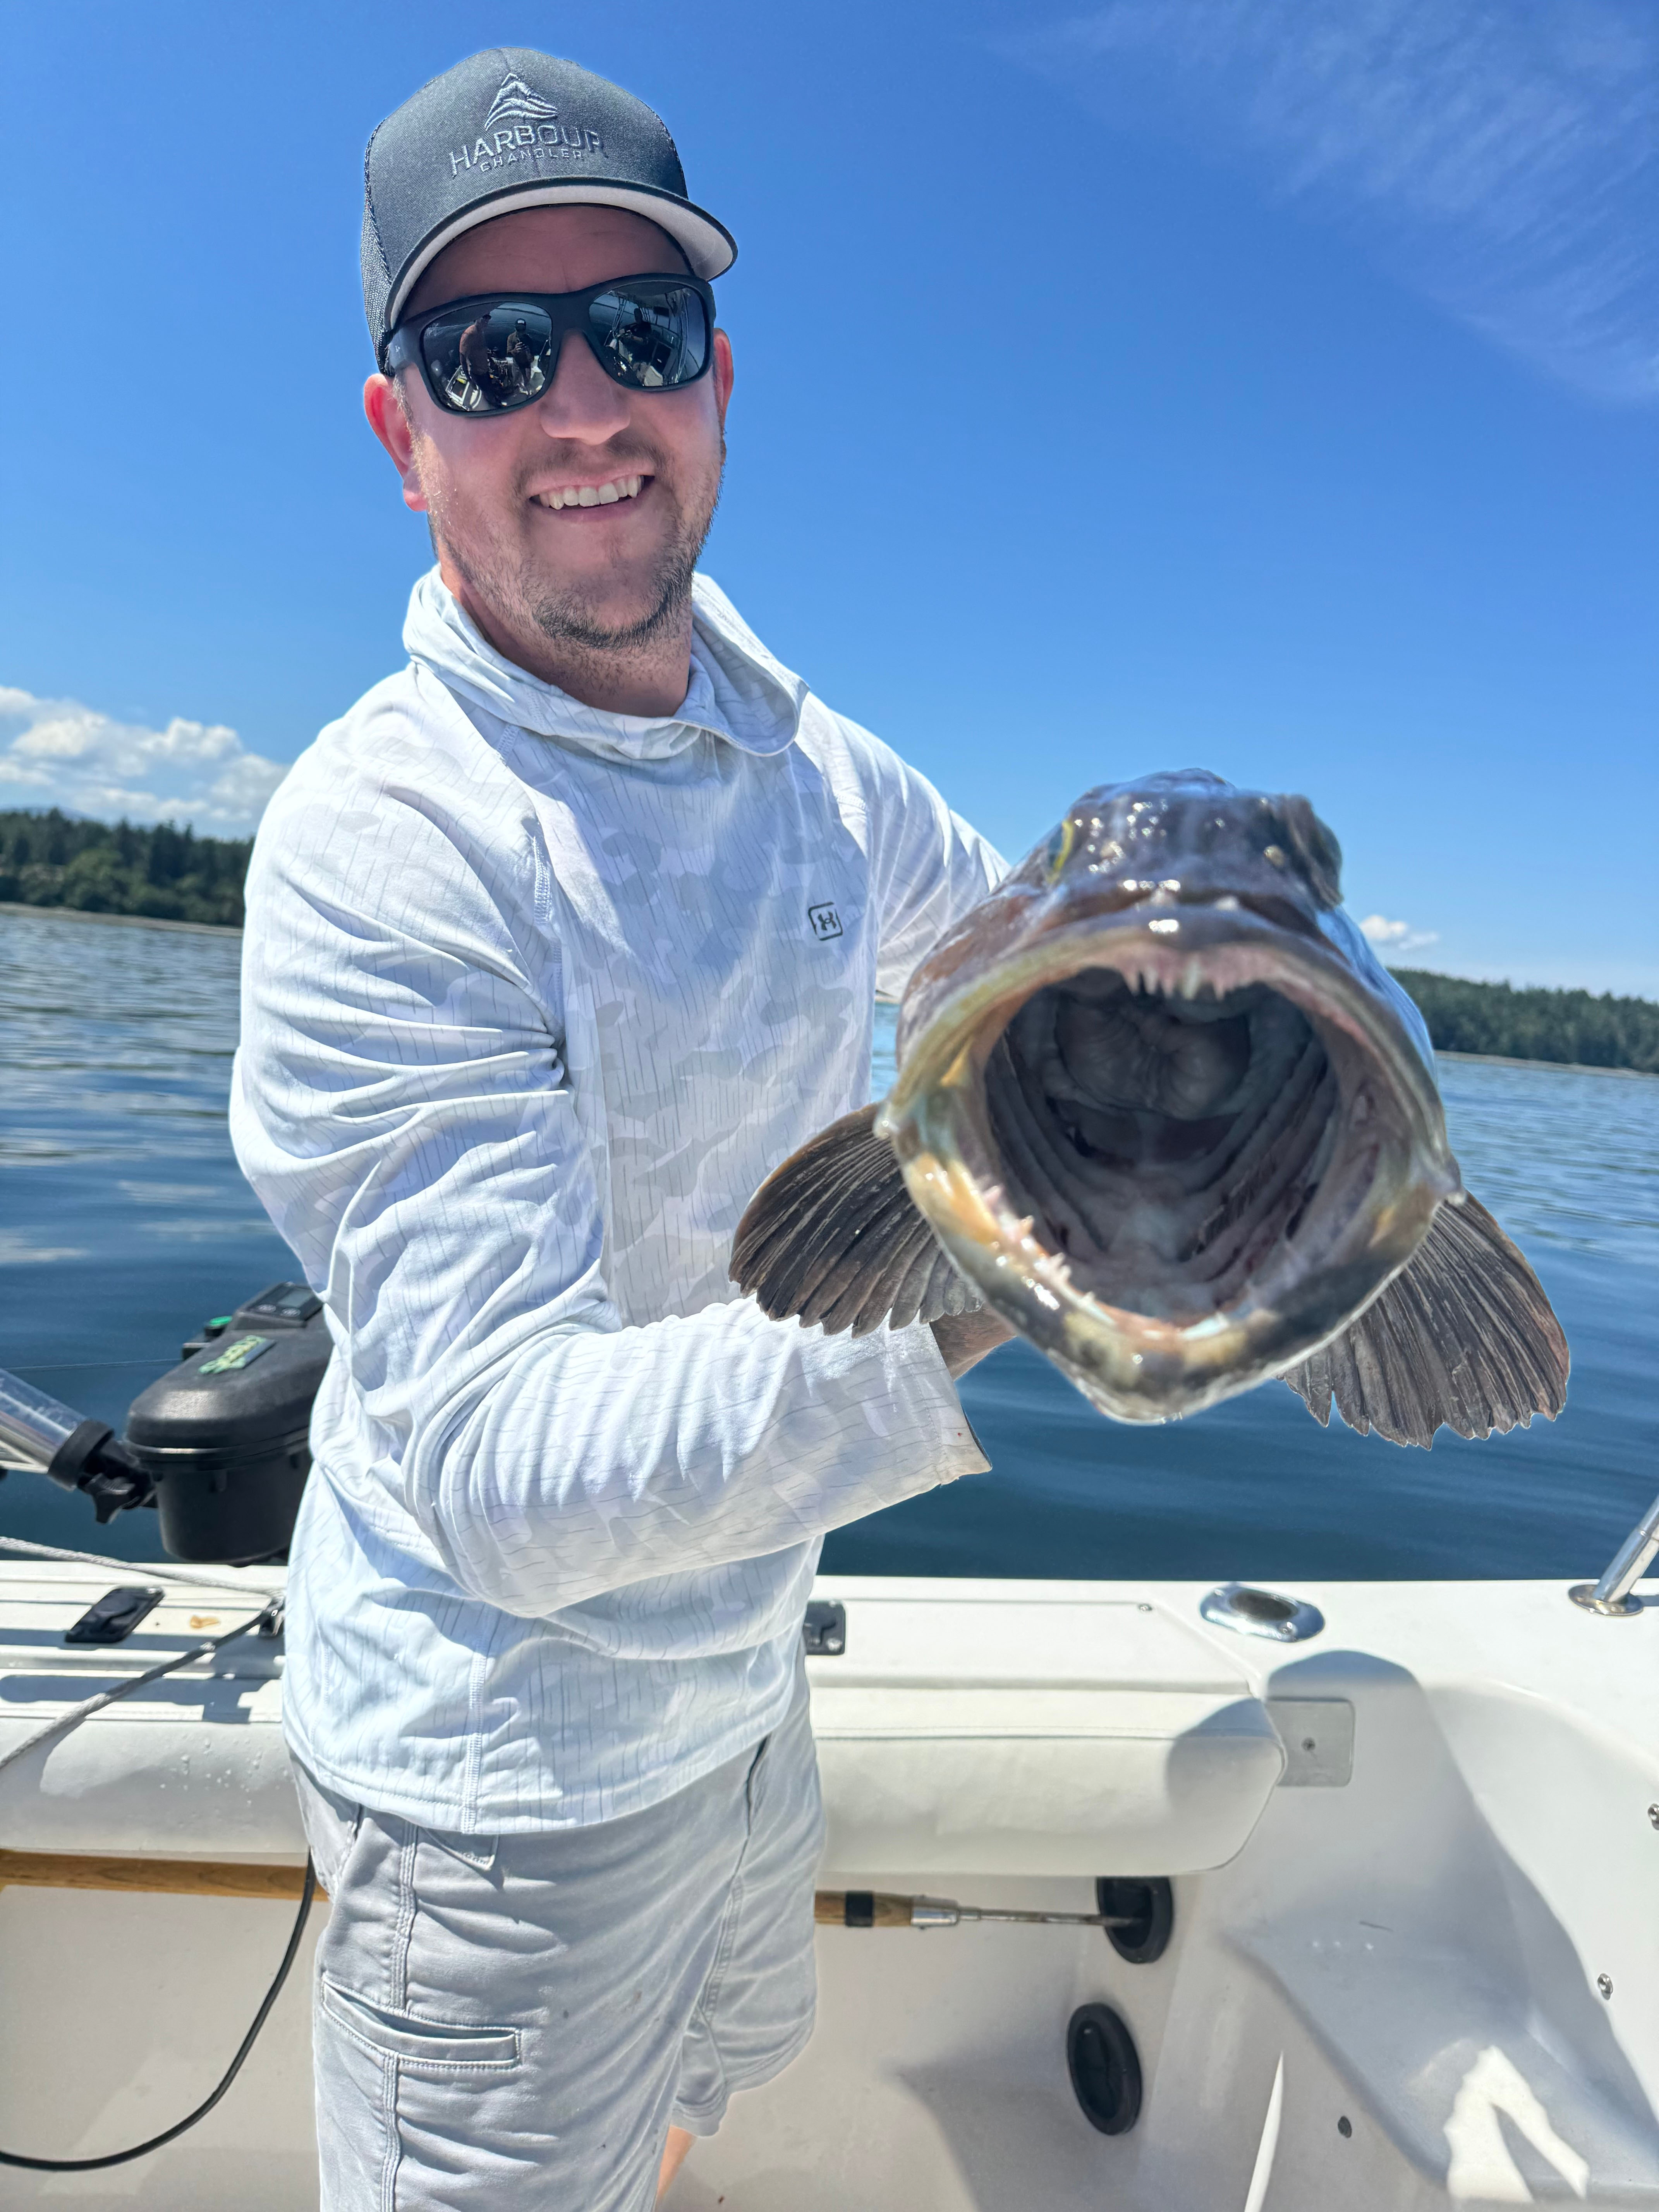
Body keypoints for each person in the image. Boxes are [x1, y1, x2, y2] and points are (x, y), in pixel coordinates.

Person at [232, 45, 1012, 2212]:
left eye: (636, 333)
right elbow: (502, 1470)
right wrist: (1023, 1254)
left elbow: (992, 953)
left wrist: (1191, 998)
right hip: (499, 1788)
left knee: (694, 2123)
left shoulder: (809, 755)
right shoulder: (381, 843)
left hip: (747, 1697)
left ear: (718, 383)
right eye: (490, 353)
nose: (582, 408)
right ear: (406, 440)